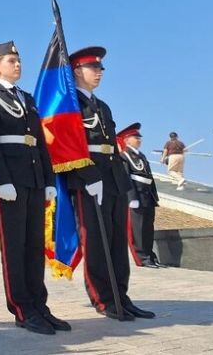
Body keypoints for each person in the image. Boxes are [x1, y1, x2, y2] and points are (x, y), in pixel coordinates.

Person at [0, 41, 68, 336]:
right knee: (14, 247)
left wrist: (49, 181)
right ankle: (21, 307)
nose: (17, 64)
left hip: (32, 178)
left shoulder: (27, 99)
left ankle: (39, 305)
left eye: (19, 60)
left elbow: (40, 143)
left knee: (32, 245)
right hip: (9, 182)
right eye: (11, 60)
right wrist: (2, 180)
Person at [67, 47, 153, 321]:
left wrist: (123, 181)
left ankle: (121, 295)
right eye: (94, 67)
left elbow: (112, 148)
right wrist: (87, 176)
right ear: (78, 71)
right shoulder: (70, 105)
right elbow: (69, 146)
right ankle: (103, 298)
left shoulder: (102, 106)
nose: (99, 72)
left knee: (116, 241)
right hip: (89, 178)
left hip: (113, 177)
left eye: (101, 68)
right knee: (95, 241)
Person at [118, 123, 162, 268]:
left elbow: (149, 177)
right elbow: (125, 177)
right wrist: (131, 197)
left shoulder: (141, 156)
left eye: (139, 137)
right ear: (126, 139)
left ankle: (149, 254)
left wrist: (154, 196)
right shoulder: (124, 156)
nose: (139, 140)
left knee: (148, 227)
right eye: (135, 137)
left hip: (147, 196)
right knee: (139, 228)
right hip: (136, 196)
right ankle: (142, 257)